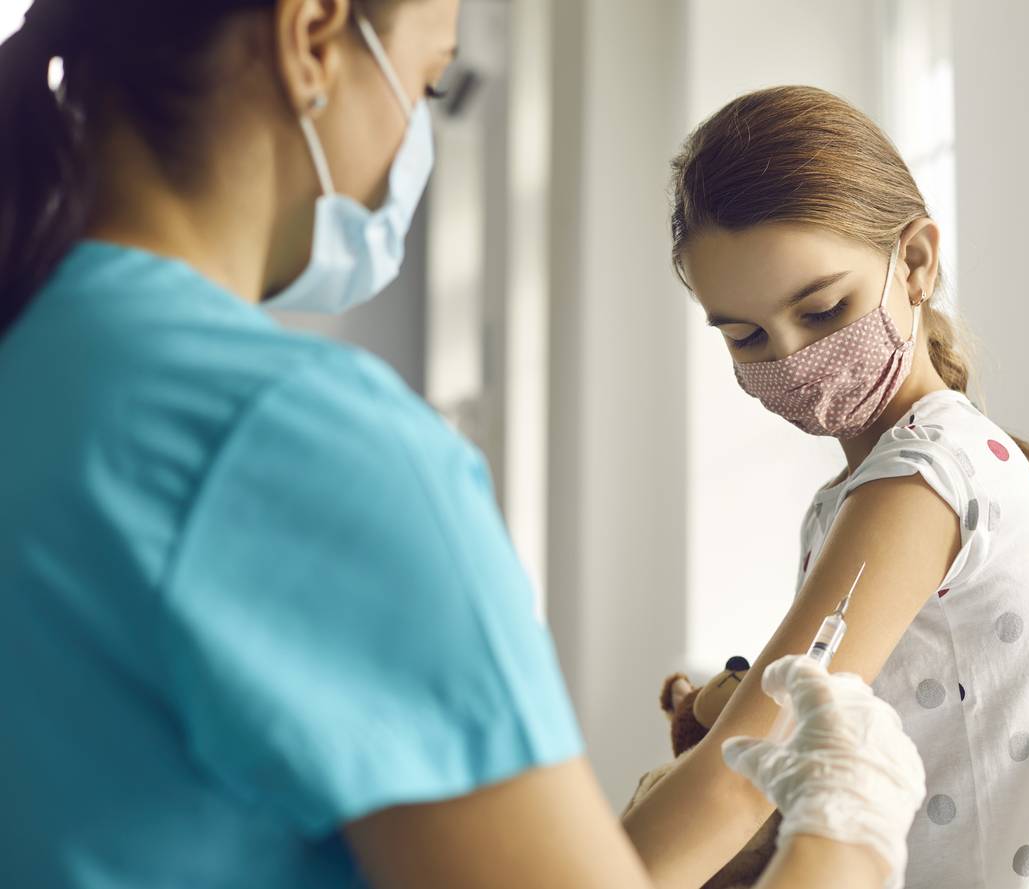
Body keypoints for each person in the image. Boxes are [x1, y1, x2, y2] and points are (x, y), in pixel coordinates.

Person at [0, 4, 928, 888]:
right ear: (313, 37)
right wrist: (846, 836)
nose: (415, 139)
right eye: (429, 82)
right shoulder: (295, 445)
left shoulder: (39, 361)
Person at [622, 86, 1029, 888]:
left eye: (821, 308)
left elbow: (746, 773)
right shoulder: (867, 488)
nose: (788, 356)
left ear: (914, 261)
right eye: (744, 335)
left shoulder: (920, 481)